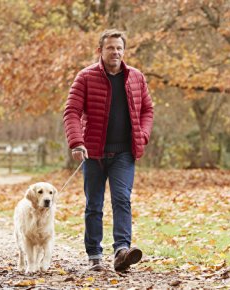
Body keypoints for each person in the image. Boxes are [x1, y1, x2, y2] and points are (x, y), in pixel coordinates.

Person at [63, 29, 153, 272]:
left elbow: (147, 110)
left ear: (124, 51)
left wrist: (143, 136)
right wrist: (76, 142)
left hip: (125, 152)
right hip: (93, 152)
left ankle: (122, 251)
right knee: (94, 204)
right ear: (100, 51)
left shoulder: (136, 77)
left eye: (119, 48)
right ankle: (94, 255)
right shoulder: (85, 77)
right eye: (110, 47)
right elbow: (71, 111)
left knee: (122, 199)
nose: (115, 52)